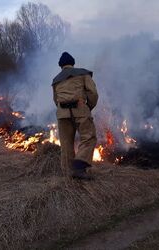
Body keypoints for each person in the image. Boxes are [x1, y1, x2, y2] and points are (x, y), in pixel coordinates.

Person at [52, 52, 98, 180]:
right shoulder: (83, 74)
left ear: (61, 66)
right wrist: (89, 107)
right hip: (80, 110)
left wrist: (63, 110)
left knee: (66, 144)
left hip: (62, 114)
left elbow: (56, 100)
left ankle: (68, 173)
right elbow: (93, 93)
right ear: (73, 63)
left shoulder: (56, 80)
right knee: (88, 137)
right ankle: (79, 166)